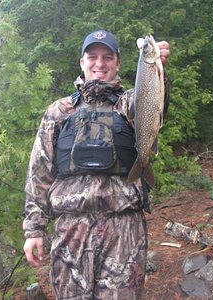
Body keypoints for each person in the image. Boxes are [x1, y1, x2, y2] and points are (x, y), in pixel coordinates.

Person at [23, 30, 170, 299]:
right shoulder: (59, 111)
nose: (99, 63)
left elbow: (155, 105)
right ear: (82, 62)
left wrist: (159, 71)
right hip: (70, 231)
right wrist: (34, 229)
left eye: (107, 57)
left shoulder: (128, 104)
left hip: (124, 231)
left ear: (118, 64)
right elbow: (39, 172)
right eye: (92, 57)